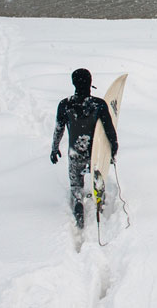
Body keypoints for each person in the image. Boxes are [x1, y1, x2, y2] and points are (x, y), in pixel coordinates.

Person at [51, 68, 118, 228]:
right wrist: (113, 150)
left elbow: (59, 129)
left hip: (75, 153)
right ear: (90, 82)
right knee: (98, 180)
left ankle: (78, 205)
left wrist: (54, 148)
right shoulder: (98, 105)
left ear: (73, 83)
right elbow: (109, 130)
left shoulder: (65, 104)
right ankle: (100, 205)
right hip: (95, 153)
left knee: (76, 186)